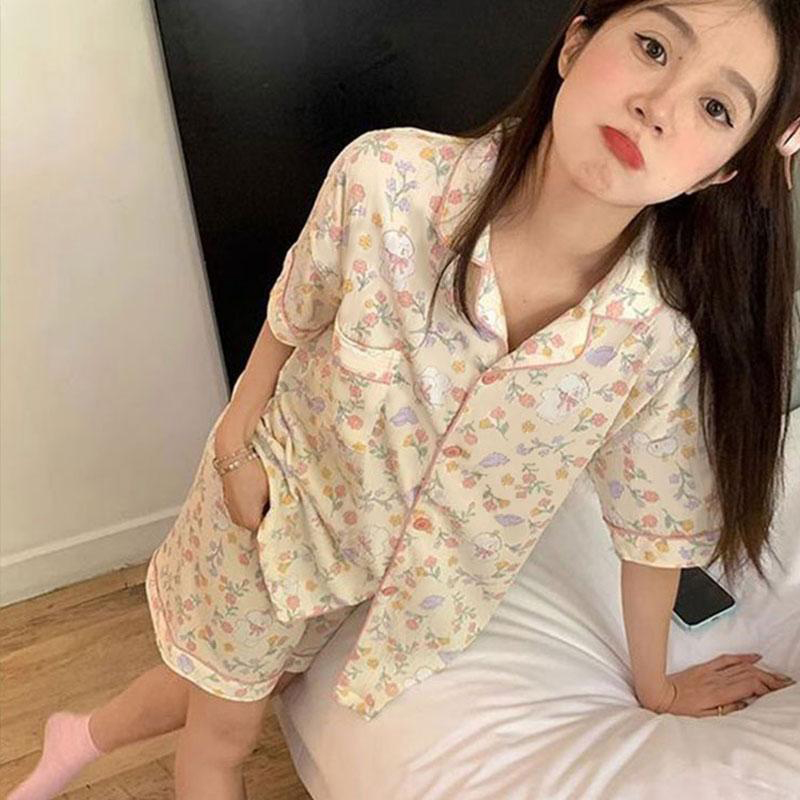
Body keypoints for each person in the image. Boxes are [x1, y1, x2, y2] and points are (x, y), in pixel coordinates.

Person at [10, 1, 800, 798]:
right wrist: (234, 445)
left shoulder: (653, 342)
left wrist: (656, 688)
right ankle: (78, 741)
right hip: (266, 519)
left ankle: (79, 736)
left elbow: (649, 525)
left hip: (367, 578)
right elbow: (293, 312)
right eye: (654, 47)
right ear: (576, 44)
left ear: (722, 171)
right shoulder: (388, 179)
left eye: (715, 107)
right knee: (225, 737)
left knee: (229, 684)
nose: (658, 107)